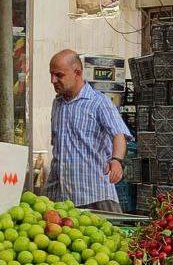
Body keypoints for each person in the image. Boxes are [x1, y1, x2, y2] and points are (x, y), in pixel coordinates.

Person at [47, 49, 132, 213]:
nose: (53, 80)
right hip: (60, 196)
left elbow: (118, 135)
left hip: (94, 194)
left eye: (59, 75)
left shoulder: (99, 102)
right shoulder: (57, 103)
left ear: (77, 72)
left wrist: (116, 160)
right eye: (51, 74)